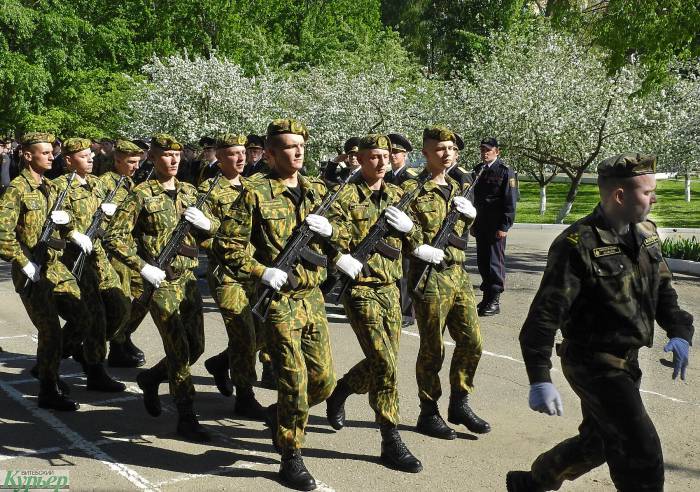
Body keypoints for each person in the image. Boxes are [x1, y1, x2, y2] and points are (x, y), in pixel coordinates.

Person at [508, 153, 694, 492]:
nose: (654, 198)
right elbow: (544, 318)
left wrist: (680, 330)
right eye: (646, 192)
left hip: (627, 361)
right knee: (642, 453)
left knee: (598, 443)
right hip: (592, 363)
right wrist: (539, 378)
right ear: (619, 195)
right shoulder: (577, 245)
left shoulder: (647, 233)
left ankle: (533, 481)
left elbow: (663, 290)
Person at [214, 119, 335, 491]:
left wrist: (332, 233)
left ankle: (280, 413)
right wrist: (261, 271)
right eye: (287, 147)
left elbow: (339, 240)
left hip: (312, 297)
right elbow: (226, 245)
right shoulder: (254, 192)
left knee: (324, 382)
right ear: (269, 153)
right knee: (294, 381)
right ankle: (290, 455)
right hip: (279, 302)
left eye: (301, 145)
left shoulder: (317, 190)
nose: (297, 152)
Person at [103, 134, 218, 442]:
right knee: (179, 350)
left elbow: (212, 235)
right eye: (166, 155)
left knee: (196, 348)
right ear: (152, 159)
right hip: (161, 281)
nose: (174, 160)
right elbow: (114, 237)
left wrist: (207, 224)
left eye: (177, 154)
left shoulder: (191, 192)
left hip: (190, 279)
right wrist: (143, 267)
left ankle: (151, 378)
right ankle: (186, 415)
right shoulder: (141, 194)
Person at [324, 133, 423, 473]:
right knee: (384, 362)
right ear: (360, 159)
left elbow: (418, 242)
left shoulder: (400, 194)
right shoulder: (344, 195)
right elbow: (328, 238)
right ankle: (390, 437)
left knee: (387, 359)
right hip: (361, 288)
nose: (381, 162)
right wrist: (340, 258)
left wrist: (410, 229)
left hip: (391, 287)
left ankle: (342, 390)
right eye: (373, 156)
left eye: (385, 156)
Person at [405, 125, 491, 440]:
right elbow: (397, 229)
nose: (447, 154)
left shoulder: (458, 187)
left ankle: (460, 401)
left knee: (472, 341)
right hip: (429, 276)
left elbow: (463, 231)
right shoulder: (412, 188)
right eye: (440, 149)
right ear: (426, 152)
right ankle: (428, 412)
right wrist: (416, 243)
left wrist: (472, 215)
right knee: (433, 348)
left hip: (458, 273)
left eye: (452, 149)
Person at [0, 132, 92, 410]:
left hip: (54, 266)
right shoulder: (16, 189)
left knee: (83, 317)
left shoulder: (51, 187)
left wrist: (73, 231)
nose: (52, 156)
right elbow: (3, 234)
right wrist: (22, 261)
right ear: (28, 156)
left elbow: (63, 221)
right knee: (50, 329)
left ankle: (46, 364)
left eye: (52, 152)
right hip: (31, 270)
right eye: (45, 153)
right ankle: (48, 390)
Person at [199, 133, 265, 419]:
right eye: (233, 153)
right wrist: (215, 230)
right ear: (220, 156)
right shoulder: (208, 190)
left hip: (254, 271)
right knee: (243, 333)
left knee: (262, 333)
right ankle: (245, 395)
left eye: (243, 153)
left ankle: (221, 362)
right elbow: (201, 237)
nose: (240, 158)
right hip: (226, 273)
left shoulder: (253, 187)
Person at [99, 139, 148, 368]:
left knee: (143, 295)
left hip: (132, 250)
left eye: (138, 162)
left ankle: (124, 335)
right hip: (114, 252)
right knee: (122, 300)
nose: (136, 166)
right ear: (117, 160)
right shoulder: (105, 184)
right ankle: (116, 345)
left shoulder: (130, 183)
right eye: (131, 162)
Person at [470, 137, 516, 316]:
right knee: (482, 261)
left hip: (496, 225)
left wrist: (505, 225)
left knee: (494, 263)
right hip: (481, 224)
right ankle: (487, 297)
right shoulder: (478, 170)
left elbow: (510, 200)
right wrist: (472, 223)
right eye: (482, 150)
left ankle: (495, 300)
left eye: (488, 150)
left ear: (497, 151)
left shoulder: (505, 171)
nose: (485, 153)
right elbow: (474, 199)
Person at [386, 132, 417, 327]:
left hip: (405, 230)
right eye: (391, 152)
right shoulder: (387, 176)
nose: (393, 156)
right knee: (394, 270)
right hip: (389, 230)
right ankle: (395, 307)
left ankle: (407, 312)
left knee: (406, 272)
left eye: (397, 152)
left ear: (405, 155)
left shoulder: (411, 178)